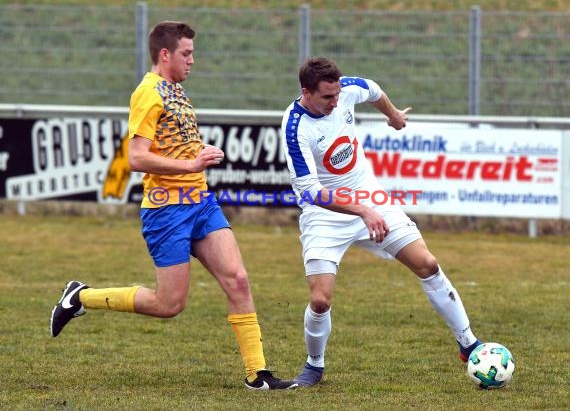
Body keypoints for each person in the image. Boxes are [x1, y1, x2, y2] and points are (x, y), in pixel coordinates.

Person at [50, 21, 297, 391]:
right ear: (164, 55)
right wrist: (190, 165)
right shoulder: (147, 93)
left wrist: (199, 154)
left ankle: (257, 375)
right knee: (169, 304)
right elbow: (135, 157)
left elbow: (173, 145)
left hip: (200, 203)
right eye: (186, 53)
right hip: (166, 211)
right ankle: (80, 297)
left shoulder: (176, 91)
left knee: (239, 280)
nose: (192, 60)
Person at [280, 56, 482, 387]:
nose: (335, 101)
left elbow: (373, 90)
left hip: (371, 199)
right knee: (320, 299)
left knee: (427, 264)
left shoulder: (346, 89)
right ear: (306, 92)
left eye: (337, 94)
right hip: (325, 216)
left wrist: (394, 116)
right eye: (327, 97)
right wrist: (362, 210)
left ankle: (468, 343)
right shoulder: (295, 127)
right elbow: (312, 192)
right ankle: (314, 366)